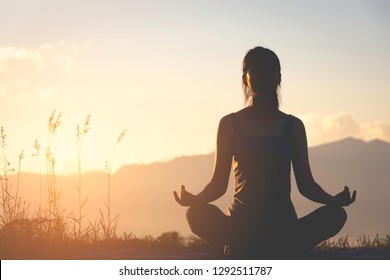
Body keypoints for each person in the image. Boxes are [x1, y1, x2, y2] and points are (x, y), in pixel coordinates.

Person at [173, 46, 356, 259]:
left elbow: (306, 185)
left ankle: (250, 249)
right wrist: (194, 199)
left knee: (335, 215)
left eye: (269, 69)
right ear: (245, 78)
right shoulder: (230, 124)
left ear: (278, 77)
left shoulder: (293, 126)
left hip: (283, 228)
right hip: (239, 228)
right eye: (256, 69)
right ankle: (260, 248)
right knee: (196, 213)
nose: (263, 74)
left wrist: (334, 201)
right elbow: (218, 185)